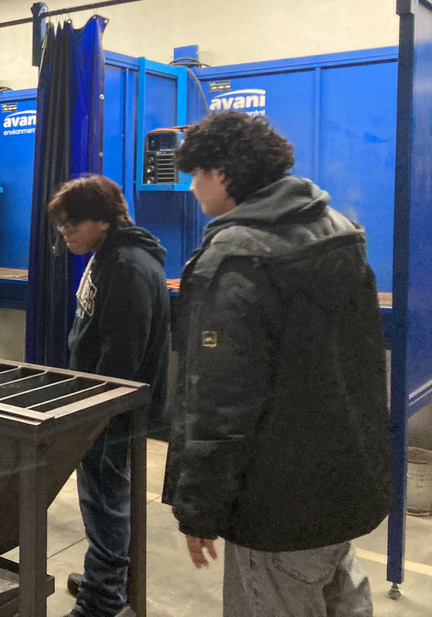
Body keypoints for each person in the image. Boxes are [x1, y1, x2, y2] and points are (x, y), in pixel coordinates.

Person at [162, 112, 391, 617]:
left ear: (222, 173)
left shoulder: (238, 259)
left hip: (274, 503)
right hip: (340, 483)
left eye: (196, 174)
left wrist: (199, 508)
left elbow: (221, 402)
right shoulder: (339, 232)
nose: (193, 188)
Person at [46, 175, 170, 617]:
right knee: (106, 499)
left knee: (105, 504)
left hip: (111, 411)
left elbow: (122, 359)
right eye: (61, 224)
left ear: (102, 220)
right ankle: (107, 578)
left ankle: (102, 600)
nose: (64, 232)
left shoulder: (128, 267)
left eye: (71, 223)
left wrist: (93, 414)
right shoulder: (109, 256)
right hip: (100, 404)